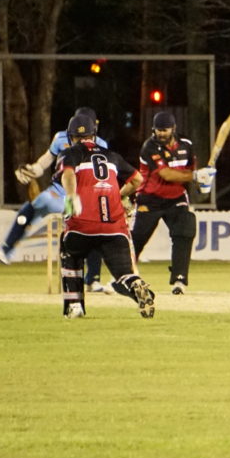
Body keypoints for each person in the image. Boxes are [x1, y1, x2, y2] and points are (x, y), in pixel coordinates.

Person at [0, 106, 111, 294]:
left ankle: (92, 279)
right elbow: (45, 162)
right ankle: (7, 250)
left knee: (92, 231)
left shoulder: (102, 145)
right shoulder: (60, 138)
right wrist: (31, 170)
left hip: (83, 194)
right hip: (58, 190)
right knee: (34, 206)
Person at [58, 113, 155, 319]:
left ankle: (74, 305)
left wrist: (72, 196)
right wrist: (119, 197)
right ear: (94, 134)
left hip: (82, 225)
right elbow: (137, 179)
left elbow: (67, 174)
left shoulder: (71, 153)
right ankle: (134, 283)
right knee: (122, 273)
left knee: (70, 251)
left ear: (71, 136)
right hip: (114, 227)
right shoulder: (112, 156)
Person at [131, 111, 212, 295]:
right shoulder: (149, 147)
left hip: (176, 199)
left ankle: (179, 279)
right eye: (158, 130)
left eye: (164, 130)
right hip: (149, 199)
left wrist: (202, 183)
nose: (160, 133)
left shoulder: (186, 146)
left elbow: (191, 172)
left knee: (185, 230)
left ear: (173, 129)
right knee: (138, 238)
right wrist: (195, 176)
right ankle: (122, 275)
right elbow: (166, 174)